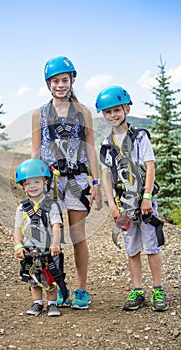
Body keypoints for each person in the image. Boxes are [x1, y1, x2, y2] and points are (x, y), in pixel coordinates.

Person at [31, 56, 102, 309]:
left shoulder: (83, 113)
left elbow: (91, 150)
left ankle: (81, 289)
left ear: (72, 80)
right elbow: (36, 152)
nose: (60, 85)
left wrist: (96, 183)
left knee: (78, 235)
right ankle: (57, 288)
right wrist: (33, 183)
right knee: (53, 236)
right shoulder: (40, 114)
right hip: (50, 181)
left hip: (78, 180)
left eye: (64, 80)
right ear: (48, 84)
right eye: (55, 81)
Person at [95, 85, 169, 312]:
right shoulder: (107, 146)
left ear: (126, 108)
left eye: (116, 110)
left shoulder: (139, 137)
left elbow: (149, 167)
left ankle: (157, 288)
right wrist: (112, 206)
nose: (112, 115)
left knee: (151, 246)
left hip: (143, 203)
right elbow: (106, 177)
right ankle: (137, 289)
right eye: (107, 112)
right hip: (124, 205)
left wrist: (147, 197)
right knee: (132, 249)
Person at [13, 158, 66, 317]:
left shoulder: (52, 205)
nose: (32, 186)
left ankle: (52, 303)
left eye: (37, 181)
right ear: (23, 186)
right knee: (33, 276)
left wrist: (55, 244)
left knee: (51, 276)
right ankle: (37, 302)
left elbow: (56, 226)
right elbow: (17, 230)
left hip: (48, 249)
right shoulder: (22, 208)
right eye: (28, 183)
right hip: (30, 249)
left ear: (45, 182)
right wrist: (18, 246)